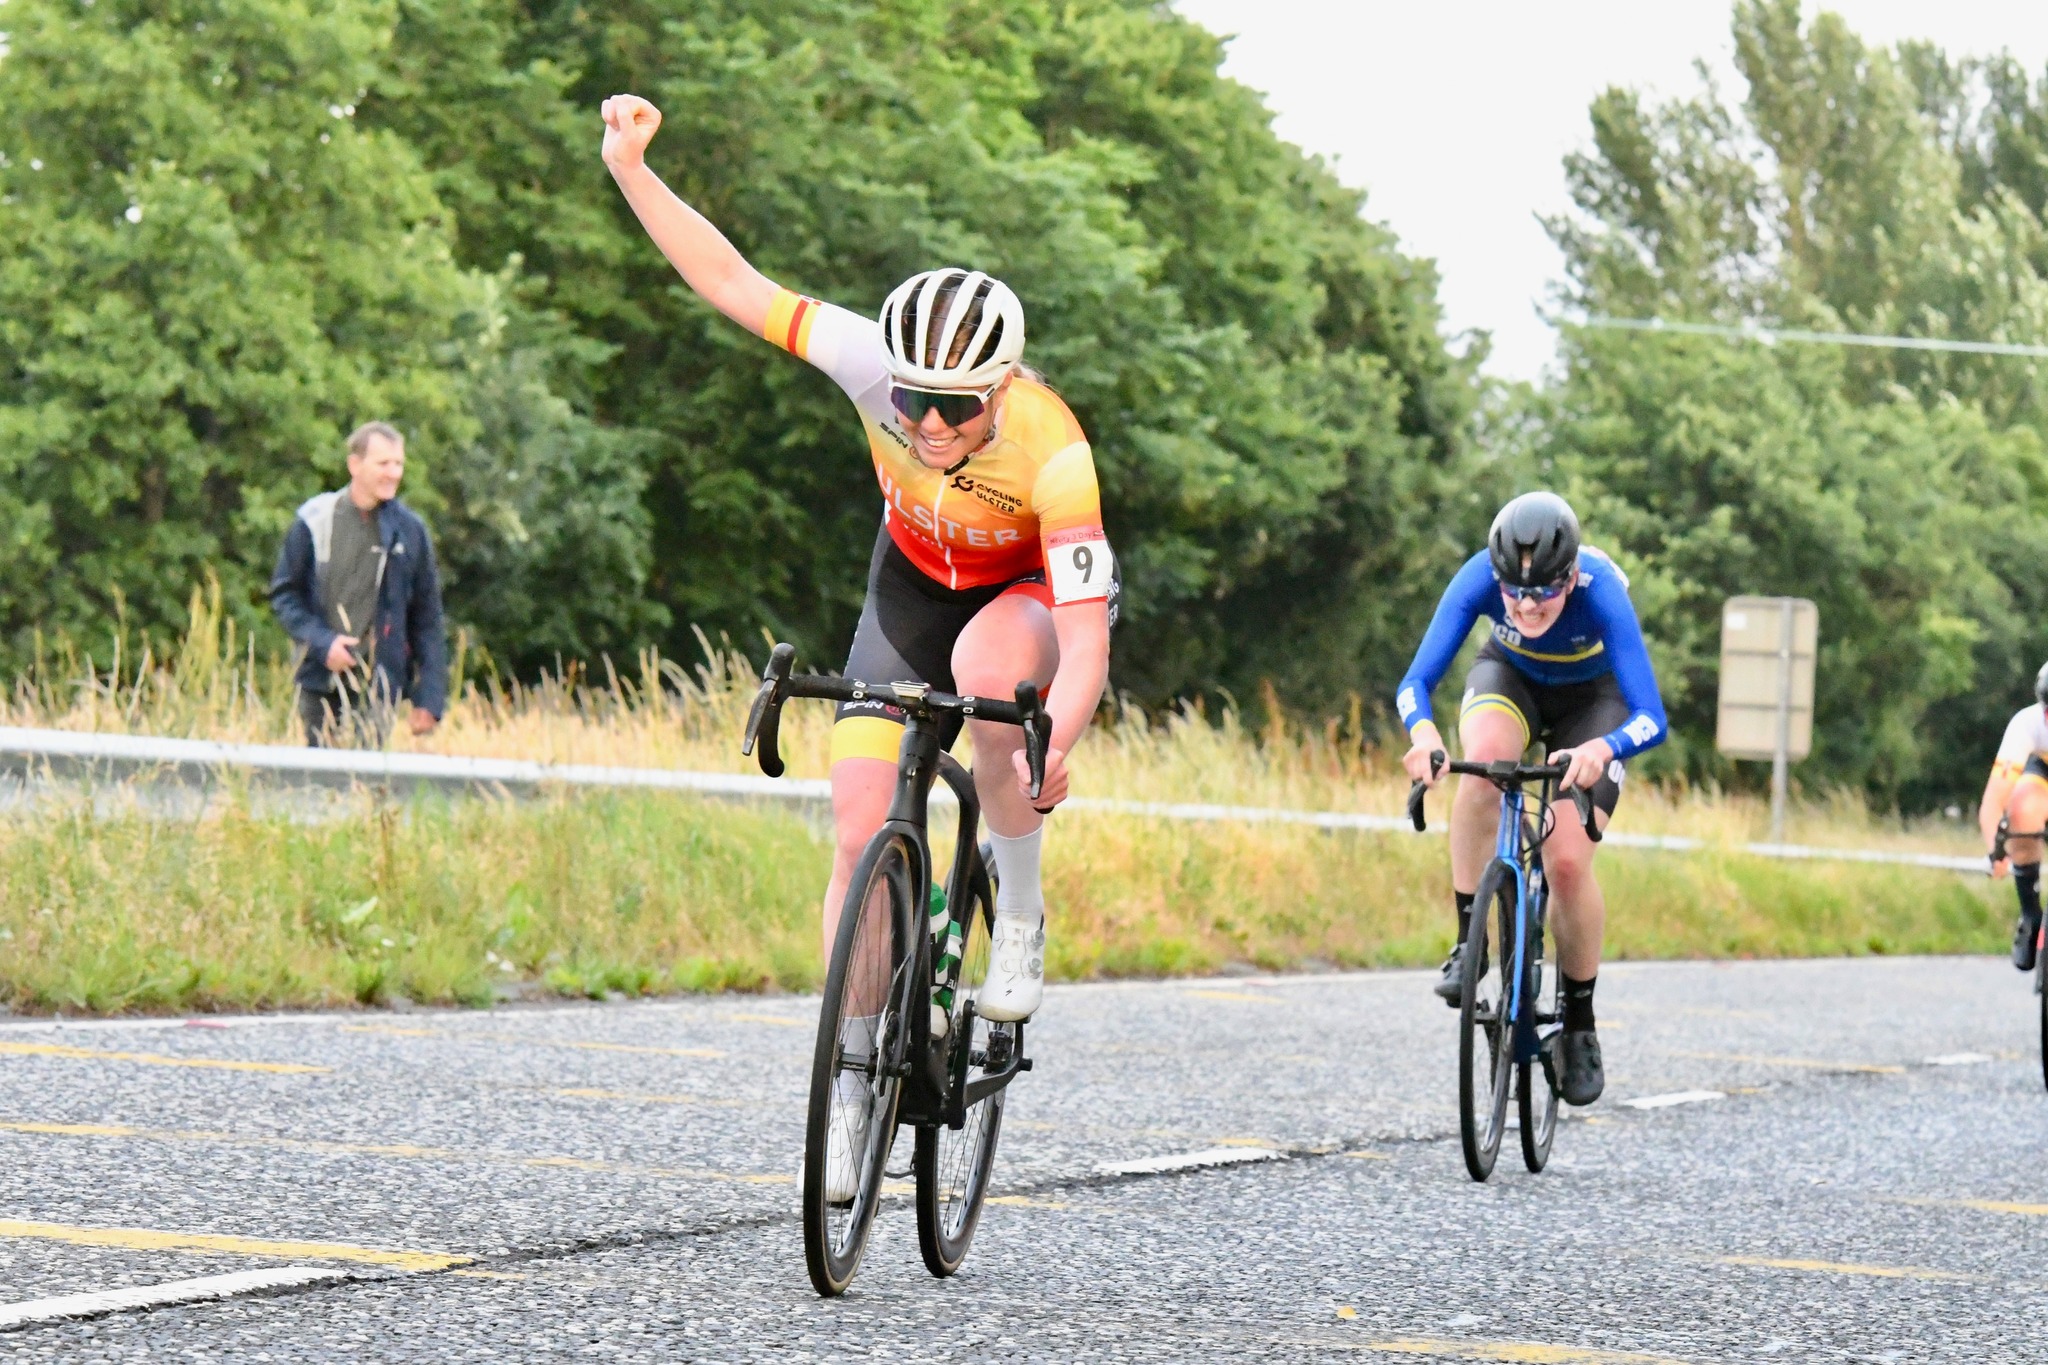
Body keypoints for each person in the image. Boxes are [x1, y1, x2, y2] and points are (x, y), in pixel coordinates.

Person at [600, 99, 1113, 1013]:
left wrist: (1053, 743)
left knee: (993, 693)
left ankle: (1023, 919)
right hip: (912, 583)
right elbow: (733, 282)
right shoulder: (866, 361)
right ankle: (855, 1066)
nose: (926, 424)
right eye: (914, 398)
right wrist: (632, 170)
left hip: (1021, 595)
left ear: (1001, 389)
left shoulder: (1055, 451)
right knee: (856, 829)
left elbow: (1084, 644)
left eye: (955, 407)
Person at [1396, 492, 1666, 1106]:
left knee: (1568, 860)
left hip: (1594, 704)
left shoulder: (1602, 592)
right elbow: (1415, 682)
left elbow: (1653, 715)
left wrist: (1607, 748)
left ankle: (1579, 1022)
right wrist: (1423, 734)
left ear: (1570, 576)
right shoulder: (1479, 576)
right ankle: (1471, 944)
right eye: (1514, 593)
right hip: (1510, 679)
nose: (1525, 604)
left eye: (1543, 592)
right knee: (1482, 771)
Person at [269, 422, 447, 748]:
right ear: (355, 465)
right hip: (320, 677)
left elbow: (428, 617)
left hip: (380, 684)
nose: (393, 473)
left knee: (366, 786)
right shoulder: (314, 519)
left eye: (398, 464)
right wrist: (323, 644)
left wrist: (430, 697)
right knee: (320, 783)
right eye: (383, 463)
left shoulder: (411, 531)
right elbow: (285, 596)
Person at [1976, 663, 2048, 971]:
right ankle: (2030, 915)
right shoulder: (2028, 723)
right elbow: (1994, 802)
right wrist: (1996, 852)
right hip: (2042, 774)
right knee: (2022, 807)